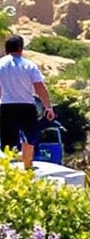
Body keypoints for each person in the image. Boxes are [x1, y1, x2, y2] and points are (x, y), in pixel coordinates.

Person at [0, 36, 41, 170]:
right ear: (20, 48)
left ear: (6, 49)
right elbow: (39, 86)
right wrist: (48, 107)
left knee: (7, 139)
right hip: (27, 105)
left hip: (6, 105)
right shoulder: (29, 65)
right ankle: (28, 165)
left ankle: (8, 168)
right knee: (29, 136)